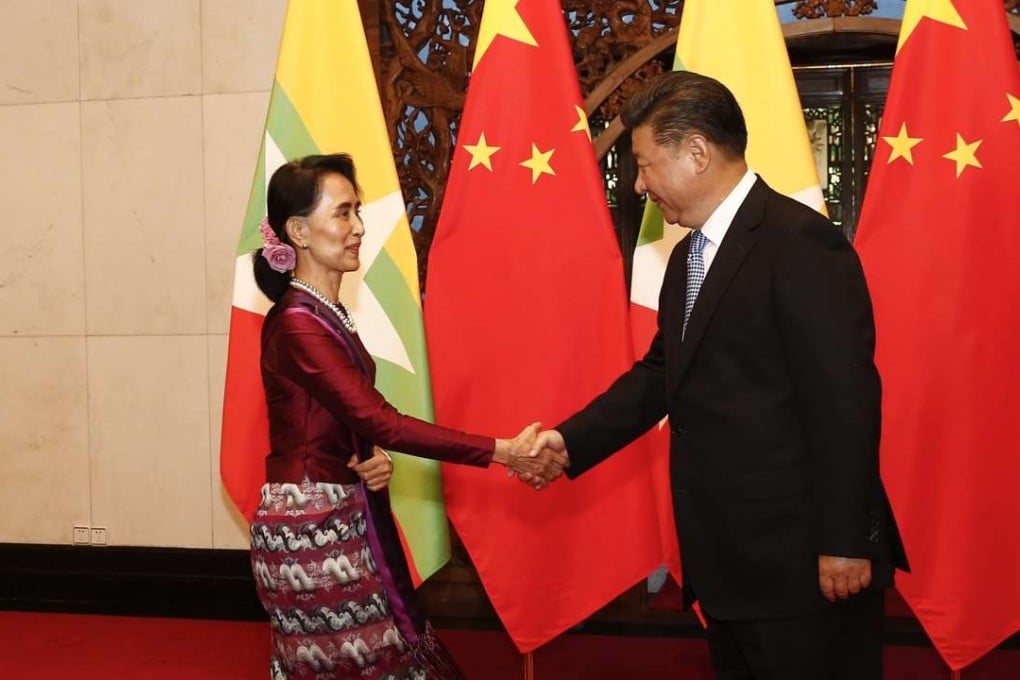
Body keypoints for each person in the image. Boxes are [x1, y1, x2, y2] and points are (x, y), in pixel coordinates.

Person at [528, 71, 908, 679]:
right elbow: (660, 375)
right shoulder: (689, 256)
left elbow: (846, 403)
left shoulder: (800, 243)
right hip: (730, 566)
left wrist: (845, 539)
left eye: (646, 164)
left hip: (806, 568)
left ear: (697, 153)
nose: (639, 183)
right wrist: (570, 441)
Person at [250, 153, 566, 680]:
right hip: (313, 531)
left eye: (358, 212)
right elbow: (380, 419)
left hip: (339, 514)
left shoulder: (321, 314)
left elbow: (341, 421)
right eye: (343, 213)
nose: (358, 228)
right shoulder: (298, 325)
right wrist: (502, 450)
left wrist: (368, 457)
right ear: (298, 232)